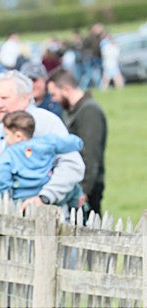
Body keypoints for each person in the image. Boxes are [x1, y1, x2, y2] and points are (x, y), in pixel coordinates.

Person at [0, 70, 85, 210]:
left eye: (4, 98)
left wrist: (45, 197)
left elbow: (72, 165)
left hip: (40, 216)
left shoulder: (46, 122)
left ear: (25, 98)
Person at [47, 68, 107, 215]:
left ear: (66, 89)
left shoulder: (89, 111)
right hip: (74, 185)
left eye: (54, 94)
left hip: (87, 188)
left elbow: (90, 155)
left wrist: (84, 191)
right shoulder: (73, 111)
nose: (53, 99)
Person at [0, 110, 84, 208]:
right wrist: (79, 143)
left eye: (6, 134)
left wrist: (6, 195)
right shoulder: (46, 143)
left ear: (18, 136)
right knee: (75, 189)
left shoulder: (9, 154)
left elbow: (3, 176)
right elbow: (71, 143)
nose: (4, 138)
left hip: (21, 197)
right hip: (43, 193)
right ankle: (79, 208)